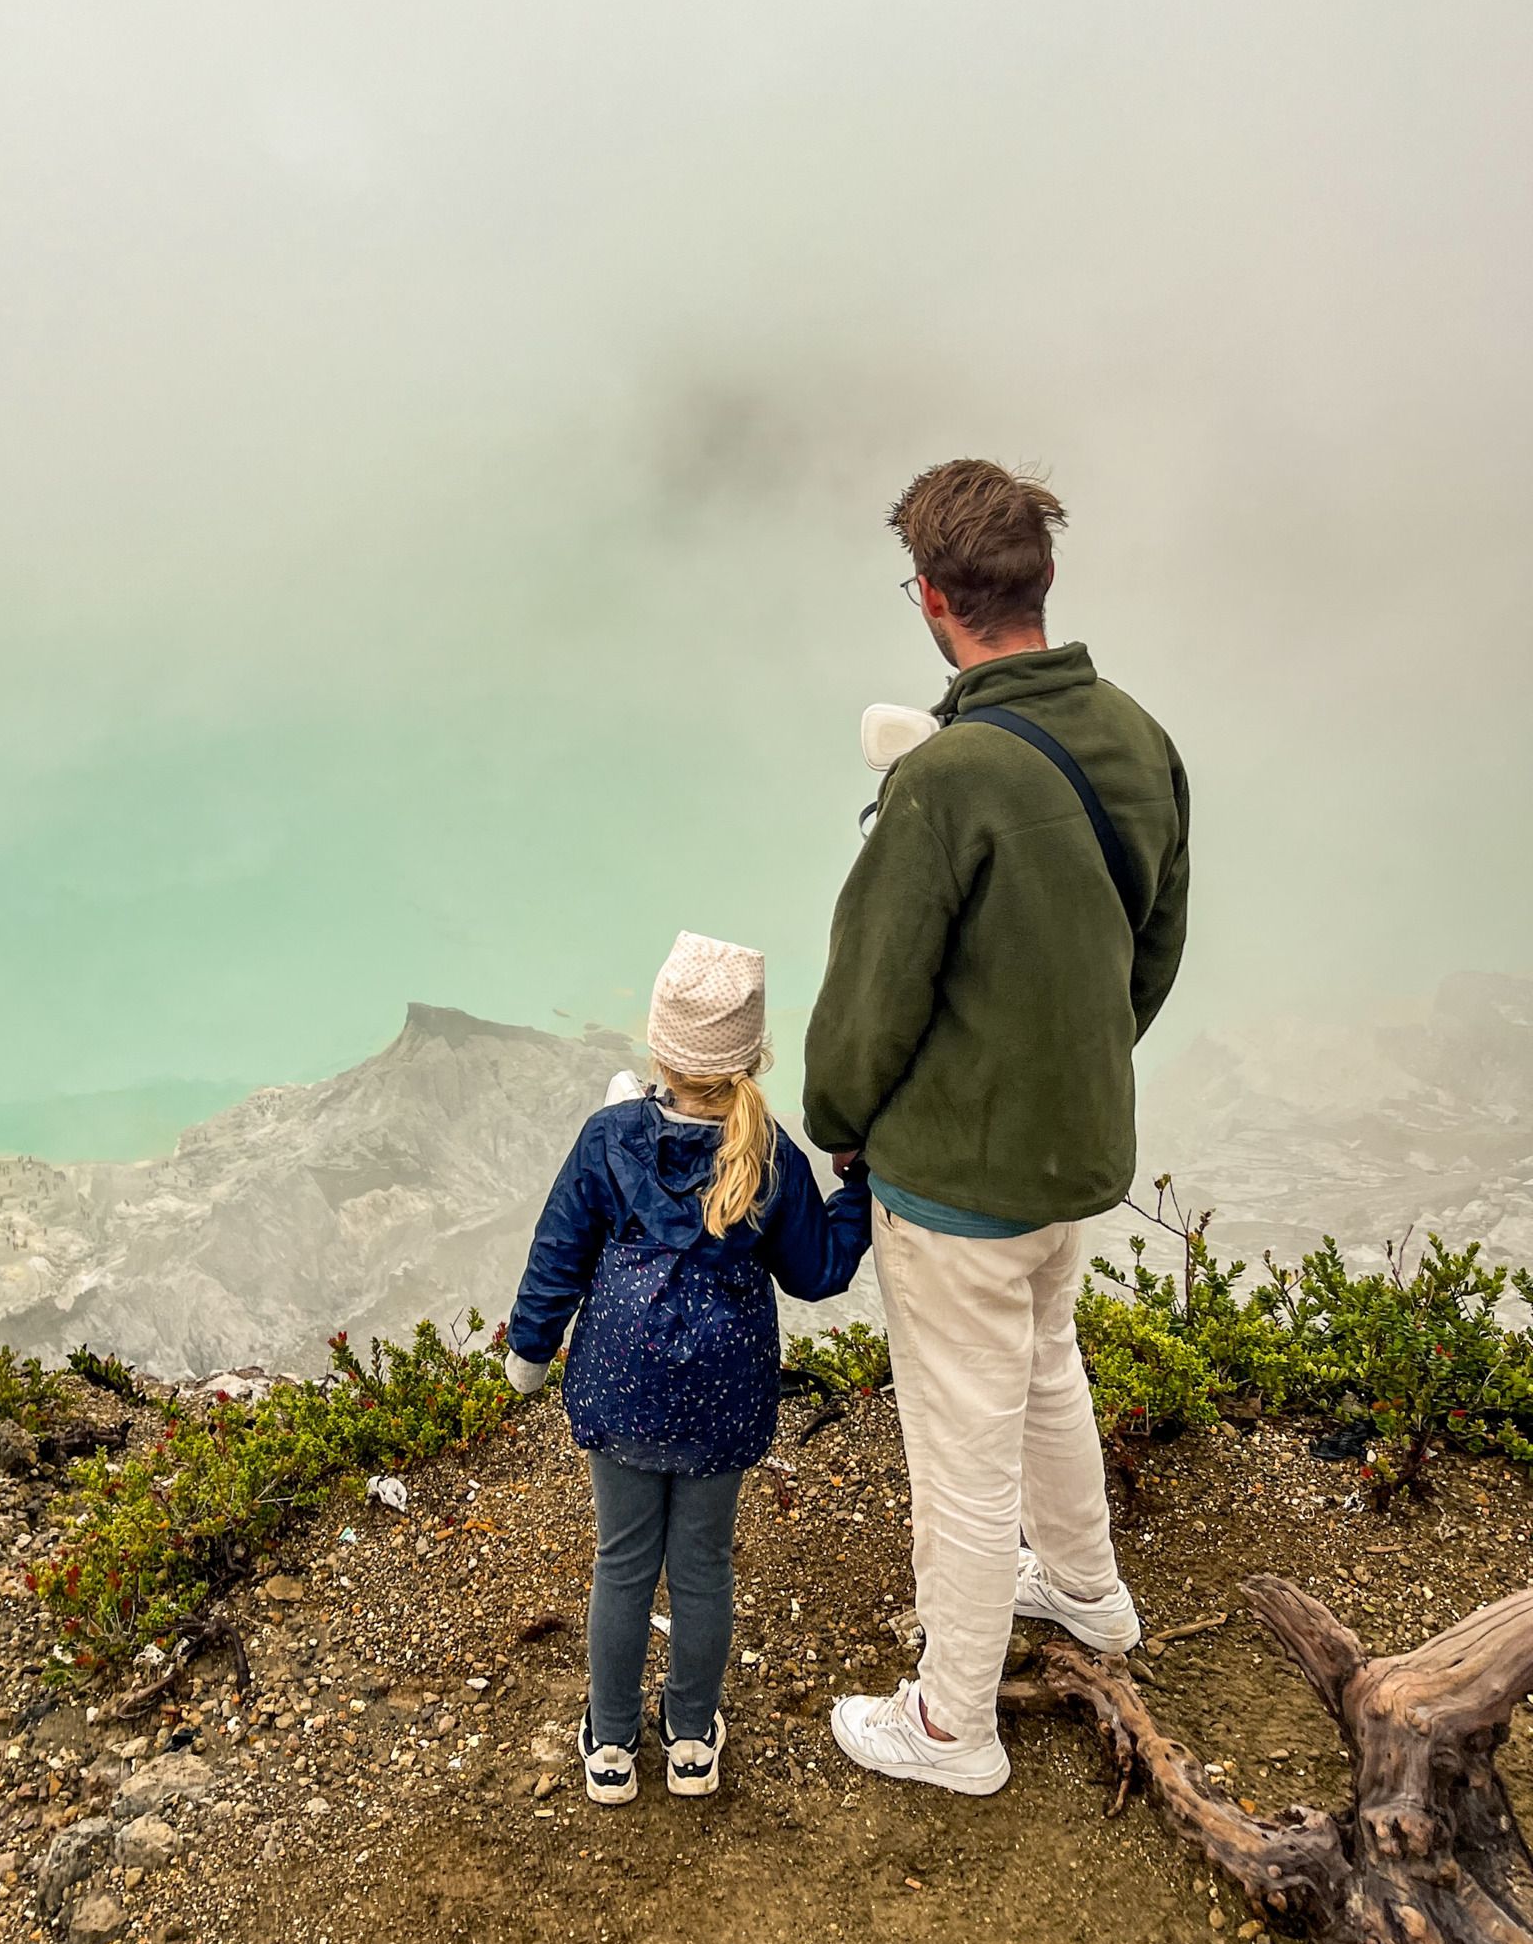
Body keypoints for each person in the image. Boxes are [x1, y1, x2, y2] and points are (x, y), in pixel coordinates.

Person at [805, 459, 1191, 1796]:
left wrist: (841, 1122)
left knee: (961, 1448)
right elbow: (1152, 952)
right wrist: (1068, 1071)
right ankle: (1087, 1588)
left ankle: (952, 1722)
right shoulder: (1139, 736)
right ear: (1037, 581)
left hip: (960, 1178)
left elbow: (869, 1001)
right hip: (1072, 1149)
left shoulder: (949, 775)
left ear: (931, 599)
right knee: (1046, 1369)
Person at [504, 931, 871, 1806]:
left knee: (624, 1562)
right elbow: (818, 1271)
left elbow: (559, 1251)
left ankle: (609, 1748)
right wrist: (860, 1187)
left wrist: (528, 1350)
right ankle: (694, 1740)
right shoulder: (768, 1151)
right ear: (751, 1056)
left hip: (621, 1385)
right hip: (724, 1392)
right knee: (703, 1565)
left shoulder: (611, 1135)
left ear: (659, 1045)